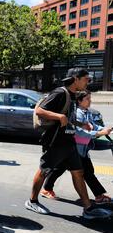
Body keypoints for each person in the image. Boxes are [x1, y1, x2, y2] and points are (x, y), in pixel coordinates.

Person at [25, 68, 112, 220]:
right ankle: (32, 201)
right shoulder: (60, 92)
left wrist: (81, 124)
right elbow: (39, 110)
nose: (88, 82)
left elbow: (68, 117)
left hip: (69, 142)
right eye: (86, 79)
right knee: (44, 170)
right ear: (75, 79)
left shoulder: (73, 95)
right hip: (56, 140)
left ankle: (88, 208)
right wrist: (58, 116)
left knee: (78, 172)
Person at [41, 90, 112, 203]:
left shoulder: (86, 111)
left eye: (90, 98)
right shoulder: (77, 113)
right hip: (74, 148)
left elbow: (92, 126)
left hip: (81, 148)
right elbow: (80, 132)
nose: (90, 101)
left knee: (59, 169)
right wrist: (99, 133)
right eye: (87, 99)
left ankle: (46, 189)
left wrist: (103, 129)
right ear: (79, 101)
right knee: (87, 171)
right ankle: (99, 195)